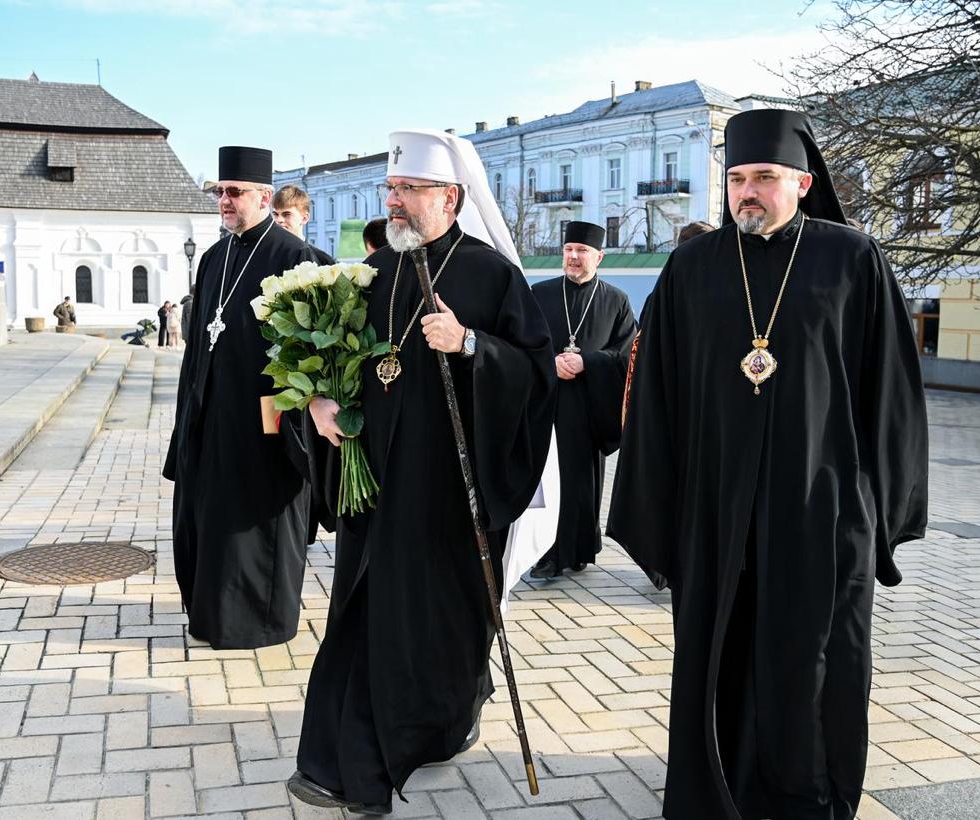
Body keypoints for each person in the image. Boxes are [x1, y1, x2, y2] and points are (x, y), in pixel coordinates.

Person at [608, 108, 928, 820]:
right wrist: (656, 503)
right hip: (716, 505)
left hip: (823, 508)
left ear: (803, 183)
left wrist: (883, 508)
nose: (747, 192)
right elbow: (655, 391)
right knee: (719, 649)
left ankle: (807, 793)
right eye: (738, 179)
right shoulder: (692, 266)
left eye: (765, 179)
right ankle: (709, 792)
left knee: (811, 656)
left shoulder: (852, 259)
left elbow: (892, 393)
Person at [287, 129, 556, 815]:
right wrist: (321, 402)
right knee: (365, 616)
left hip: (445, 495)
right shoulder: (376, 272)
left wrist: (471, 345)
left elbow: (536, 374)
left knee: (440, 625)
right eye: (392, 189)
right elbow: (336, 364)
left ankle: (433, 725)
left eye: (408, 190)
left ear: (452, 198)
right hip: (375, 485)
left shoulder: (492, 275)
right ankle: (343, 759)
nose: (395, 202)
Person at [162, 146, 318, 649]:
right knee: (207, 516)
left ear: (265, 197)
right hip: (209, 415)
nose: (224, 201)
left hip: (264, 422)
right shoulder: (213, 257)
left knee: (254, 524)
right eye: (220, 193)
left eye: (235, 193)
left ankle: (260, 621)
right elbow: (198, 342)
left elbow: (309, 353)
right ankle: (210, 614)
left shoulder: (293, 257)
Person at [527, 221, 635, 579]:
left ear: (599, 256)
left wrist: (587, 361)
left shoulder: (616, 300)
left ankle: (580, 549)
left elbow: (626, 354)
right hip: (547, 403)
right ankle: (547, 553)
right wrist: (549, 363)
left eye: (582, 251)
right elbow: (521, 344)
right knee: (548, 480)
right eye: (568, 250)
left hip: (589, 407)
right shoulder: (539, 293)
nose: (574, 257)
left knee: (581, 483)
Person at [272, 184, 335, 263]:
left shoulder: (323, 262)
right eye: (275, 214)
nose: (279, 220)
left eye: (286, 214)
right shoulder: (264, 255)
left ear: (305, 218)